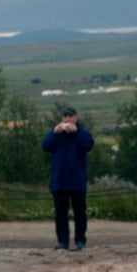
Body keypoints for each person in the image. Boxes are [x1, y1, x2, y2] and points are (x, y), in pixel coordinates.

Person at [42, 107, 94, 250]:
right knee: (60, 215)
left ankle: (80, 241)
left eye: (71, 116)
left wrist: (77, 132)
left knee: (80, 214)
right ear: (62, 118)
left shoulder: (82, 133)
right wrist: (54, 133)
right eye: (65, 116)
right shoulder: (57, 135)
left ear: (76, 118)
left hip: (76, 181)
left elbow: (88, 145)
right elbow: (45, 146)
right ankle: (62, 242)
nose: (68, 119)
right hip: (59, 181)